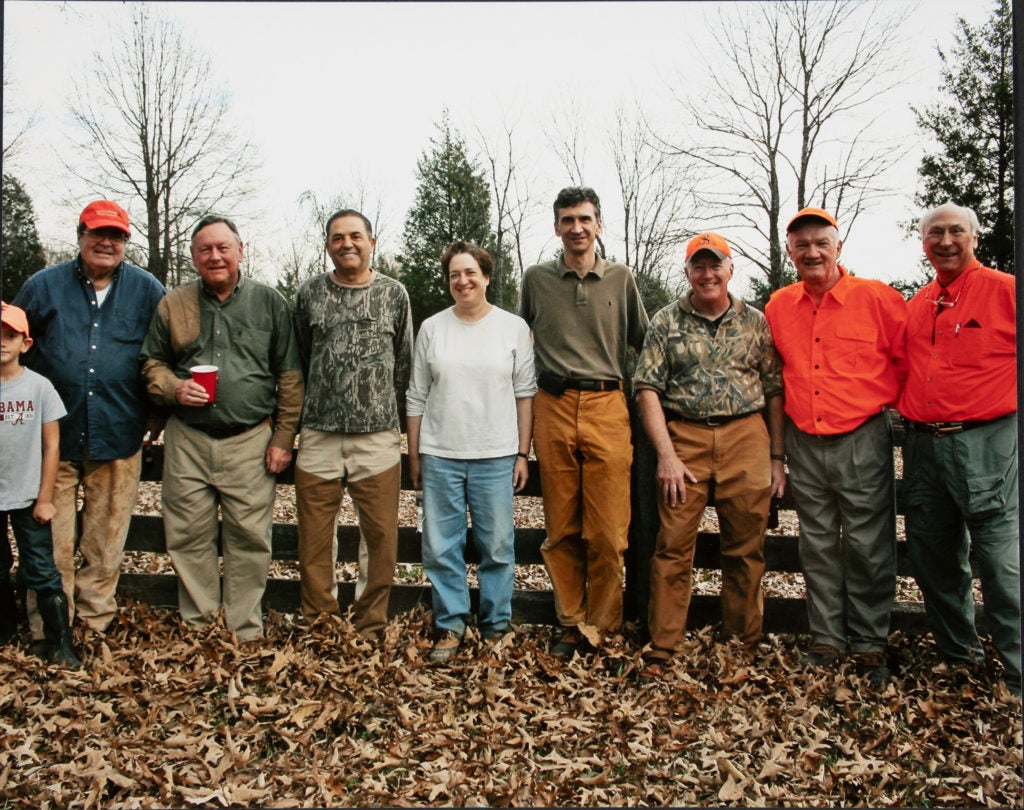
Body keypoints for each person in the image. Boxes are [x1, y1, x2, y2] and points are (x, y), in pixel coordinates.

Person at [140, 215, 303, 641]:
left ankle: (244, 627)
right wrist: (174, 388)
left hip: (250, 439)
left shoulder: (270, 303)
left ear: (240, 251)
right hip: (188, 439)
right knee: (187, 535)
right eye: (205, 249)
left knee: (249, 539)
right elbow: (150, 362)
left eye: (223, 247)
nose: (215, 256)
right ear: (194, 256)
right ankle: (201, 624)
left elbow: (289, 375)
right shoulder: (173, 304)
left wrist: (283, 438)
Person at [13, 200, 165, 649]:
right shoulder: (43, 286)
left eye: (116, 236)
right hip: (52, 440)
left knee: (105, 542)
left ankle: (95, 627)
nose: (106, 242)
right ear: (80, 235)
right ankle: (51, 629)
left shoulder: (147, 289)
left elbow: (162, 352)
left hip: (119, 434)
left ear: (125, 242)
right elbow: (13, 346)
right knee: (53, 544)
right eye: (97, 233)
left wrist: (159, 410)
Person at [764, 207, 907, 684]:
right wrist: (779, 454)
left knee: (869, 544)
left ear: (839, 247)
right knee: (818, 545)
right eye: (802, 246)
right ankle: (827, 639)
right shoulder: (779, 306)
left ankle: (869, 643)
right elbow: (775, 381)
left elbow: (907, 362)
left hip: (861, 438)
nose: (812, 252)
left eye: (821, 242)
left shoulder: (878, 298)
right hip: (805, 440)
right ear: (790, 253)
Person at [633, 233, 784, 678]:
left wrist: (777, 457)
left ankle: (743, 642)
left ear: (730, 269)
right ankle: (663, 645)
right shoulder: (666, 321)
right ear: (687, 273)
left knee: (745, 547)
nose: (707, 274)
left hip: (745, 438)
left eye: (715, 265)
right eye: (698, 266)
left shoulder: (755, 321)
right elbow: (647, 389)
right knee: (673, 546)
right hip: (686, 440)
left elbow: (774, 388)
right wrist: (666, 455)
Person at [519, 186, 649, 656]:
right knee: (561, 529)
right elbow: (517, 343)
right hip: (552, 406)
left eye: (585, 219)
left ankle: (605, 627)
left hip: (607, 405)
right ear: (556, 226)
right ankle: (569, 622)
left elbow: (646, 346)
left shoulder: (621, 279)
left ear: (598, 225)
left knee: (609, 532)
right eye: (567, 219)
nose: (576, 227)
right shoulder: (536, 280)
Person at [898, 202, 1020, 696]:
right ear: (923, 241)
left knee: (1000, 559)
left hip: (986, 442)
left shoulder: (1005, 291)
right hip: (923, 445)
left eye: (955, 232)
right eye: (935, 234)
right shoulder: (918, 303)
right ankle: (958, 655)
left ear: (975, 236)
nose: (945, 241)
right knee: (933, 555)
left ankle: (1016, 670)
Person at [406, 241, 536, 662]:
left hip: (495, 454)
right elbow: (415, 396)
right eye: (454, 275)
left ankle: (496, 623)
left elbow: (524, 393)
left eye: (470, 272)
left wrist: (521, 453)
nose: (462, 281)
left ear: (486, 276)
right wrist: (415, 455)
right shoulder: (432, 328)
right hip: (440, 453)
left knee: (496, 544)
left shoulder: (512, 327)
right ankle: (451, 624)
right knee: (441, 545)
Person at [293, 209, 413, 639]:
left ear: (372, 242)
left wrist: (391, 417)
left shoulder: (393, 294)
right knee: (314, 537)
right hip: (319, 434)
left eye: (355, 236)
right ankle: (319, 620)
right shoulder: (309, 294)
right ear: (327, 245)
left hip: (377, 436)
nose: (347, 243)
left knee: (380, 537)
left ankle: (369, 622)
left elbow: (405, 363)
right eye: (337, 237)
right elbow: (302, 358)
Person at [0, 303, 82, 668]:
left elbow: (52, 446)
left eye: (10, 336)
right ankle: (4, 630)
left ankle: (61, 643)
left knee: (42, 569)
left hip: (28, 494)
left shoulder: (39, 387)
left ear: (26, 343)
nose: (2, 343)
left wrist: (45, 497)